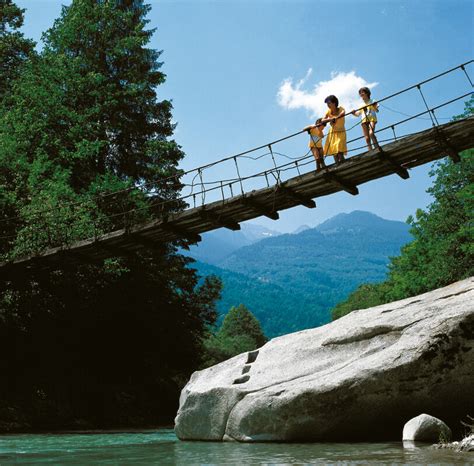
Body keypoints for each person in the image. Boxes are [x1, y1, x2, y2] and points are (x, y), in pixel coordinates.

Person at [321, 95, 347, 164]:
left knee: (339, 149)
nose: (328, 105)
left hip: (341, 132)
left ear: (334, 103)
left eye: (329, 103)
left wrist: (336, 117)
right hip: (332, 133)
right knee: (334, 151)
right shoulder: (328, 112)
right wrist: (330, 119)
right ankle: (338, 165)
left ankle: (343, 164)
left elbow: (343, 113)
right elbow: (323, 120)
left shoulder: (341, 109)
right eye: (327, 104)